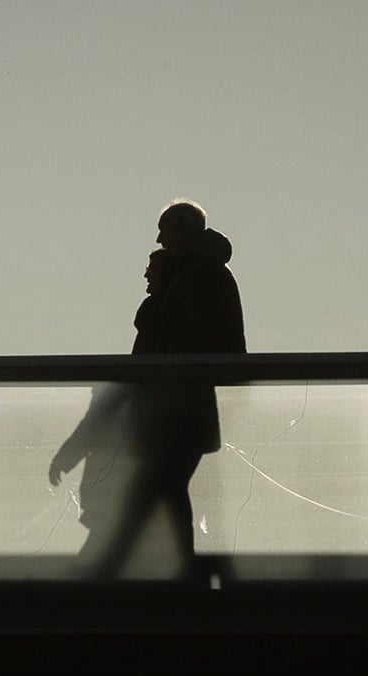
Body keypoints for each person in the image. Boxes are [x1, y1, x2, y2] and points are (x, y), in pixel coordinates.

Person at [50, 201, 244, 578]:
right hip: (183, 411)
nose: (158, 239)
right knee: (164, 490)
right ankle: (185, 569)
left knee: (151, 491)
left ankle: (112, 570)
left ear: (181, 231)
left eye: (164, 230)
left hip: (176, 411)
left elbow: (167, 347)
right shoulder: (198, 275)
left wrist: (154, 308)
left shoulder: (192, 277)